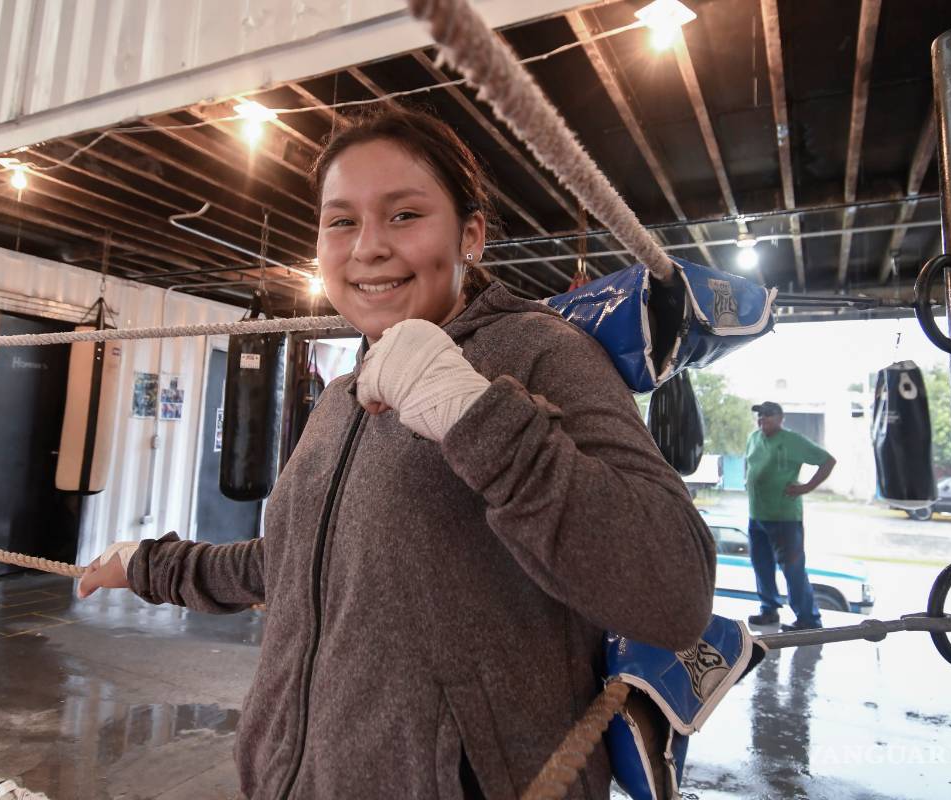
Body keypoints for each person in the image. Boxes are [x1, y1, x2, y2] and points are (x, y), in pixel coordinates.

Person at [76, 106, 716, 800]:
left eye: (405, 215)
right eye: (341, 220)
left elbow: (674, 591)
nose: (367, 247)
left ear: (470, 235)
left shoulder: (542, 352)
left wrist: (474, 412)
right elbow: (294, 565)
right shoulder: (341, 396)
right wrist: (151, 565)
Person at [744, 401, 836, 632]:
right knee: (761, 566)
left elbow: (827, 461)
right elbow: (751, 466)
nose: (762, 419)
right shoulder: (754, 438)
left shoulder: (793, 441)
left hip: (784, 518)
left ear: (781, 418)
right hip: (757, 515)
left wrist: (807, 487)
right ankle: (768, 610)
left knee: (793, 569)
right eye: (760, 415)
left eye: (768, 415)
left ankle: (808, 619)